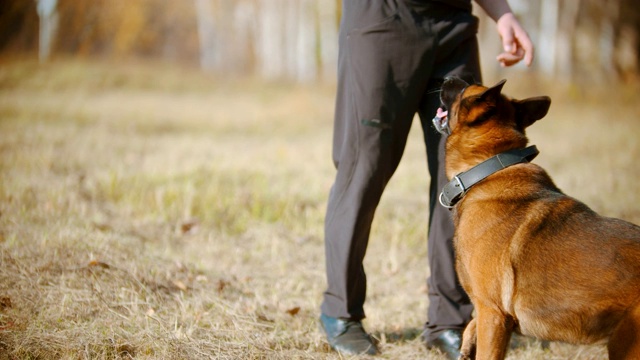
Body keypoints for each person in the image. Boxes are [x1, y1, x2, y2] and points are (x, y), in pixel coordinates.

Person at [319, 0, 534, 358]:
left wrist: (503, 13)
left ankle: (448, 320)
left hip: (453, 25)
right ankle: (340, 313)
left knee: (466, 176)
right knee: (365, 167)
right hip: (384, 19)